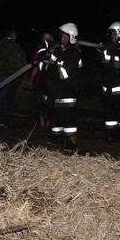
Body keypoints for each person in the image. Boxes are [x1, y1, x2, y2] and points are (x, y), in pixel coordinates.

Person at [38, 22, 82, 150]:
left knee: (68, 118)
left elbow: (64, 72)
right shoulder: (57, 50)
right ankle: (56, 139)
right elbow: (44, 64)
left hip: (68, 90)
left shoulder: (74, 53)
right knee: (55, 116)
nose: (62, 39)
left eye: (65, 37)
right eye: (61, 36)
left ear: (71, 38)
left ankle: (71, 143)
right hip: (55, 90)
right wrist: (43, 57)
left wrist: (49, 66)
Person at [0, 27, 27, 128]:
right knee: (9, 99)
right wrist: (24, 78)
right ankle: (5, 120)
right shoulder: (17, 47)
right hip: (14, 77)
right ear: (13, 36)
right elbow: (22, 63)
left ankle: (0, 120)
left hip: (1, 75)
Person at [24, 31, 53, 130]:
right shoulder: (38, 52)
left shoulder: (56, 52)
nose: (46, 41)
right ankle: (41, 121)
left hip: (51, 81)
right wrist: (31, 80)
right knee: (39, 101)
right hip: (39, 81)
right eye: (44, 38)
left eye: (48, 38)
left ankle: (48, 121)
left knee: (49, 102)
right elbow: (35, 67)